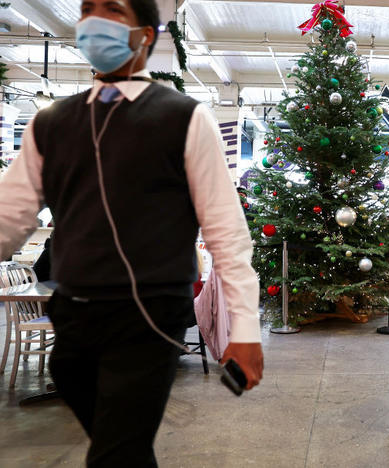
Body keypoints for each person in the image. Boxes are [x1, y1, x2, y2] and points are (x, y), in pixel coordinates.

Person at [0, 0, 263, 465]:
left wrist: (244, 328)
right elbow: (9, 218)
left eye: (111, 9)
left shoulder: (185, 117)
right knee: (123, 448)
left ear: (145, 35)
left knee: (114, 453)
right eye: (87, 8)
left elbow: (226, 231)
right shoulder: (51, 123)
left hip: (149, 313)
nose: (93, 19)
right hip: (74, 314)